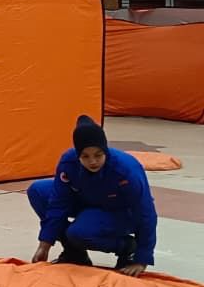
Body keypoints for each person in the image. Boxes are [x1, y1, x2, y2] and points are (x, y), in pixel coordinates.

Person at [28, 115, 156, 277]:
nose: (93, 161)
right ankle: (74, 252)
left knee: (79, 232)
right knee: (38, 191)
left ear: (105, 151)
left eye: (98, 155)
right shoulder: (68, 163)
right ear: (77, 155)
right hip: (89, 200)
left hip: (120, 211)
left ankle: (128, 247)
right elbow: (58, 203)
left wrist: (142, 257)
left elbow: (145, 212)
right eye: (85, 156)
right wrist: (45, 244)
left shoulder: (126, 169)